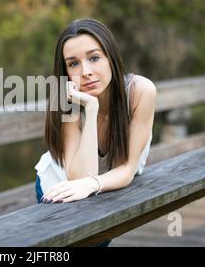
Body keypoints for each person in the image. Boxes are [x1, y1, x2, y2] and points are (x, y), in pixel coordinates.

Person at [34, 18, 156, 246]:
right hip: (60, 191)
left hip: (101, 191)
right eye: (73, 64)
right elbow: (79, 178)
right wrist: (90, 109)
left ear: (111, 57)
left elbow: (127, 169)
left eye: (94, 58)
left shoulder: (140, 91)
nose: (85, 71)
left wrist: (92, 185)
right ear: (65, 71)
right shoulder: (70, 102)